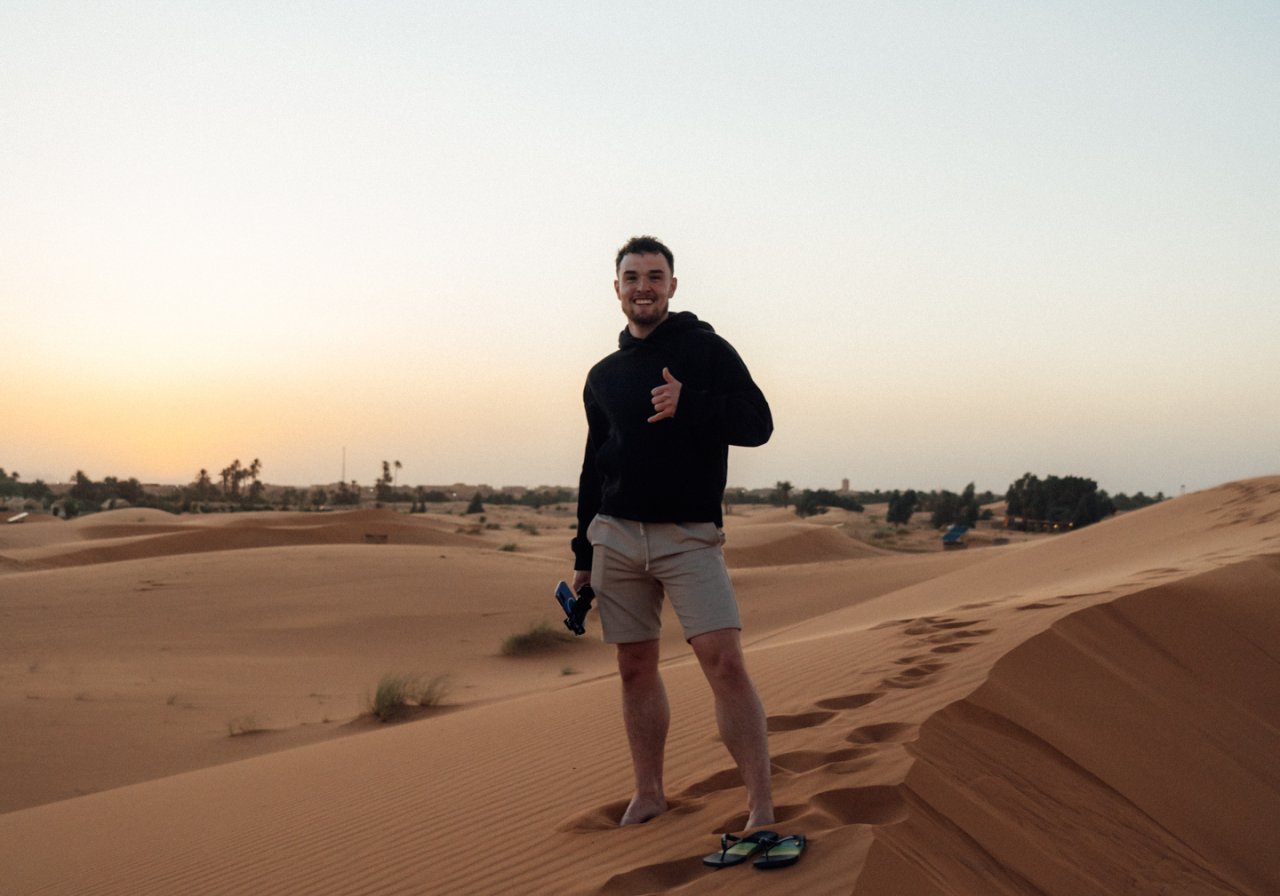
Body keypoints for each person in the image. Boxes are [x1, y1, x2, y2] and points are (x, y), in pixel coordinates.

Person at [571, 235, 775, 829]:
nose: (643, 287)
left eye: (655, 276)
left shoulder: (707, 350)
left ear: (673, 286)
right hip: (615, 536)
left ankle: (760, 805)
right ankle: (650, 792)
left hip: (688, 534)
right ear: (616, 289)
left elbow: (758, 424)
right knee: (634, 667)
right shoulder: (602, 376)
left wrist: (692, 403)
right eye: (632, 277)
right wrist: (583, 552)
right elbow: (592, 466)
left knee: (724, 663)